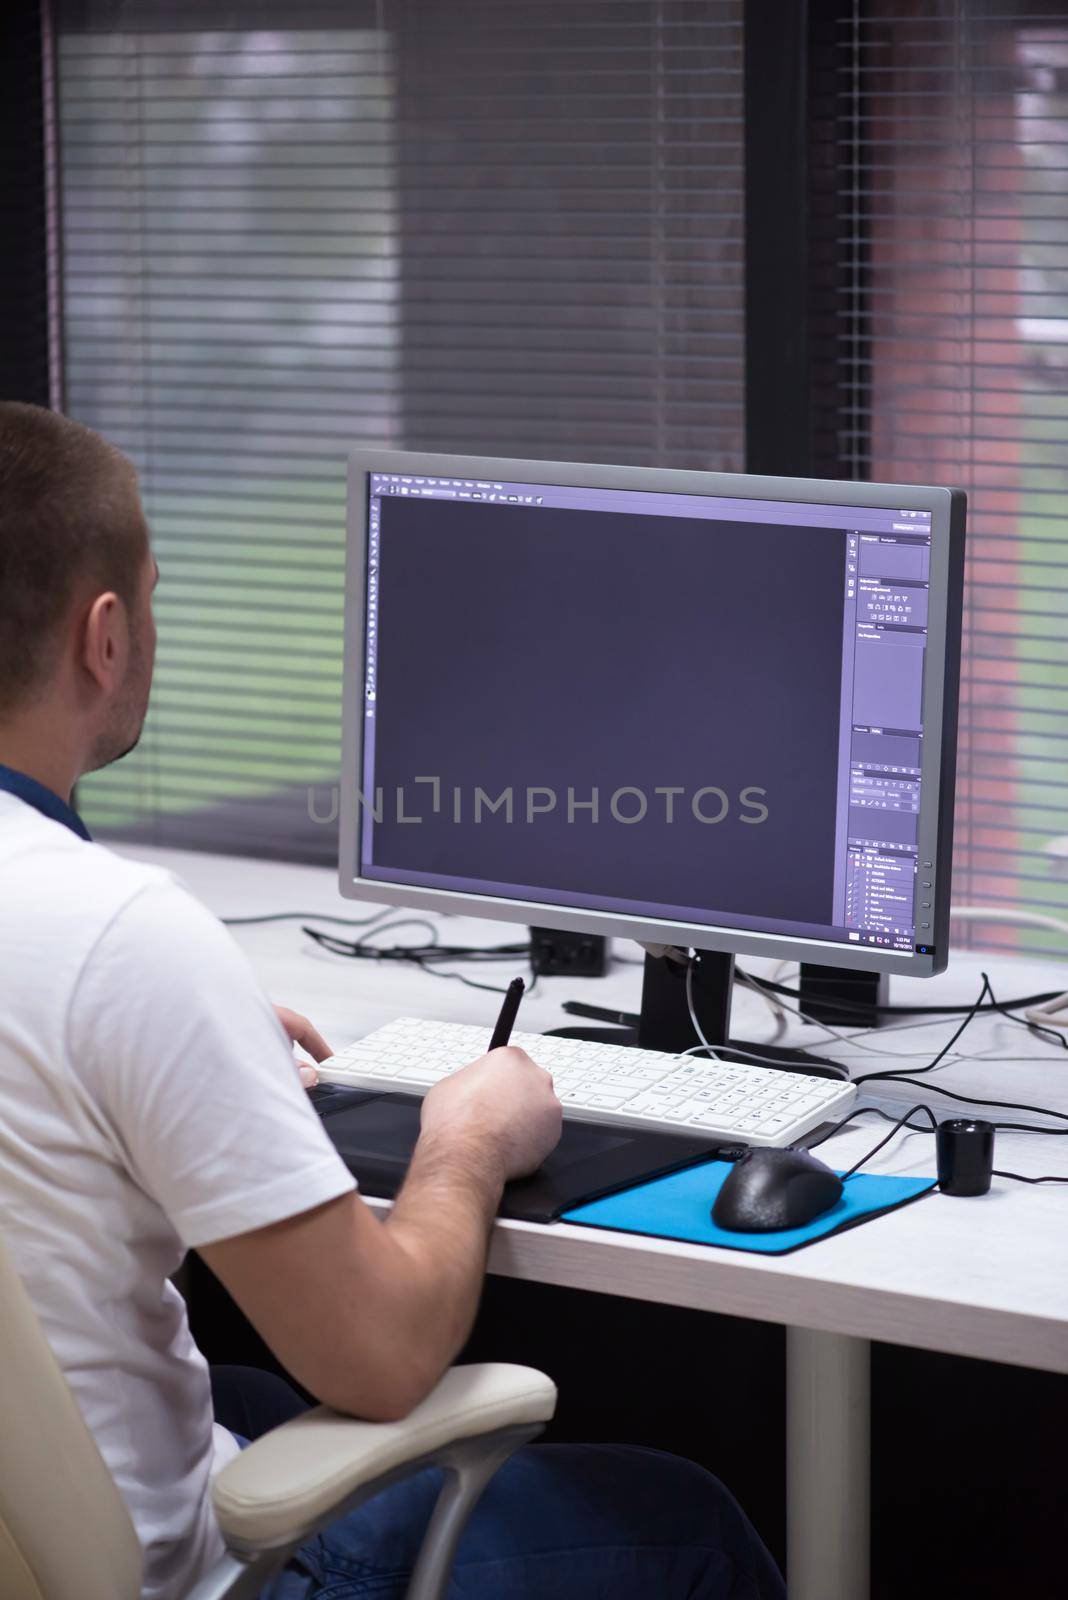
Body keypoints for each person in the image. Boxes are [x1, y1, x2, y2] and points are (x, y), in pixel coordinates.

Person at [0, 401, 784, 1600]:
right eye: (153, 597)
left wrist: (161, 1053)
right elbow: (381, 1358)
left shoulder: (96, 957)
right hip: (179, 1577)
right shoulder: (118, 941)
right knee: (690, 1524)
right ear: (103, 636)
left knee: (248, 1384)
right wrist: (468, 1138)